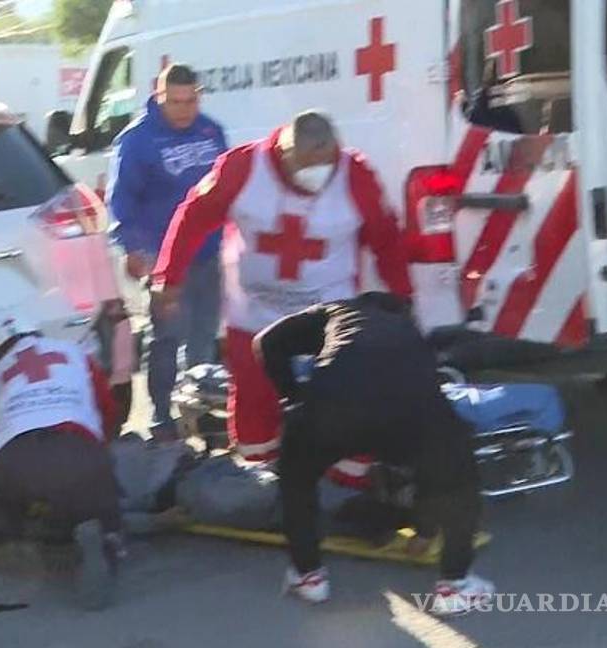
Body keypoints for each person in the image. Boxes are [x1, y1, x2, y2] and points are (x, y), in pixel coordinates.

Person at [152, 110, 412, 462]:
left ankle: (346, 482)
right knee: (254, 404)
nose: (319, 174)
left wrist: (401, 300)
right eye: (308, 165)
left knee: (347, 401)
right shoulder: (243, 168)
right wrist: (168, 278)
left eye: (327, 163)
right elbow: (193, 218)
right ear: (285, 153)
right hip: (255, 315)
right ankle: (258, 476)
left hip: (332, 316)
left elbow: (386, 239)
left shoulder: (355, 175)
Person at [253, 292, 495, 616]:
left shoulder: (334, 313)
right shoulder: (408, 329)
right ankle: (455, 584)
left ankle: (308, 576)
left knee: (297, 477)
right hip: (410, 410)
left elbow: (265, 342)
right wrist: (425, 529)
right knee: (455, 474)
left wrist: (292, 399)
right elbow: (433, 473)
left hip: (332, 407)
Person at [107, 63, 228, 440]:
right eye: (175, 102)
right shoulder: (137, 140)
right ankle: (162, 415)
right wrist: (132, 247)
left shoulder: (211, 131)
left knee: (203, 337)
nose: (184, 109)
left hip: (208, 255)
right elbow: (121, 200)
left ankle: (199, 409)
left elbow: (227, 186)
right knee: (166, 338)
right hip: (164, 260)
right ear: (158, 96)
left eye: (190, 101)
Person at [0, 315, 124, 610]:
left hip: (16, 461)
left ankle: (8, 537)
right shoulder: (75, 353)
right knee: (96, 483)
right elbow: (107, 408)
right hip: (77, 452)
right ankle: (107, 535)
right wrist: (101, 450)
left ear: (0, 350)